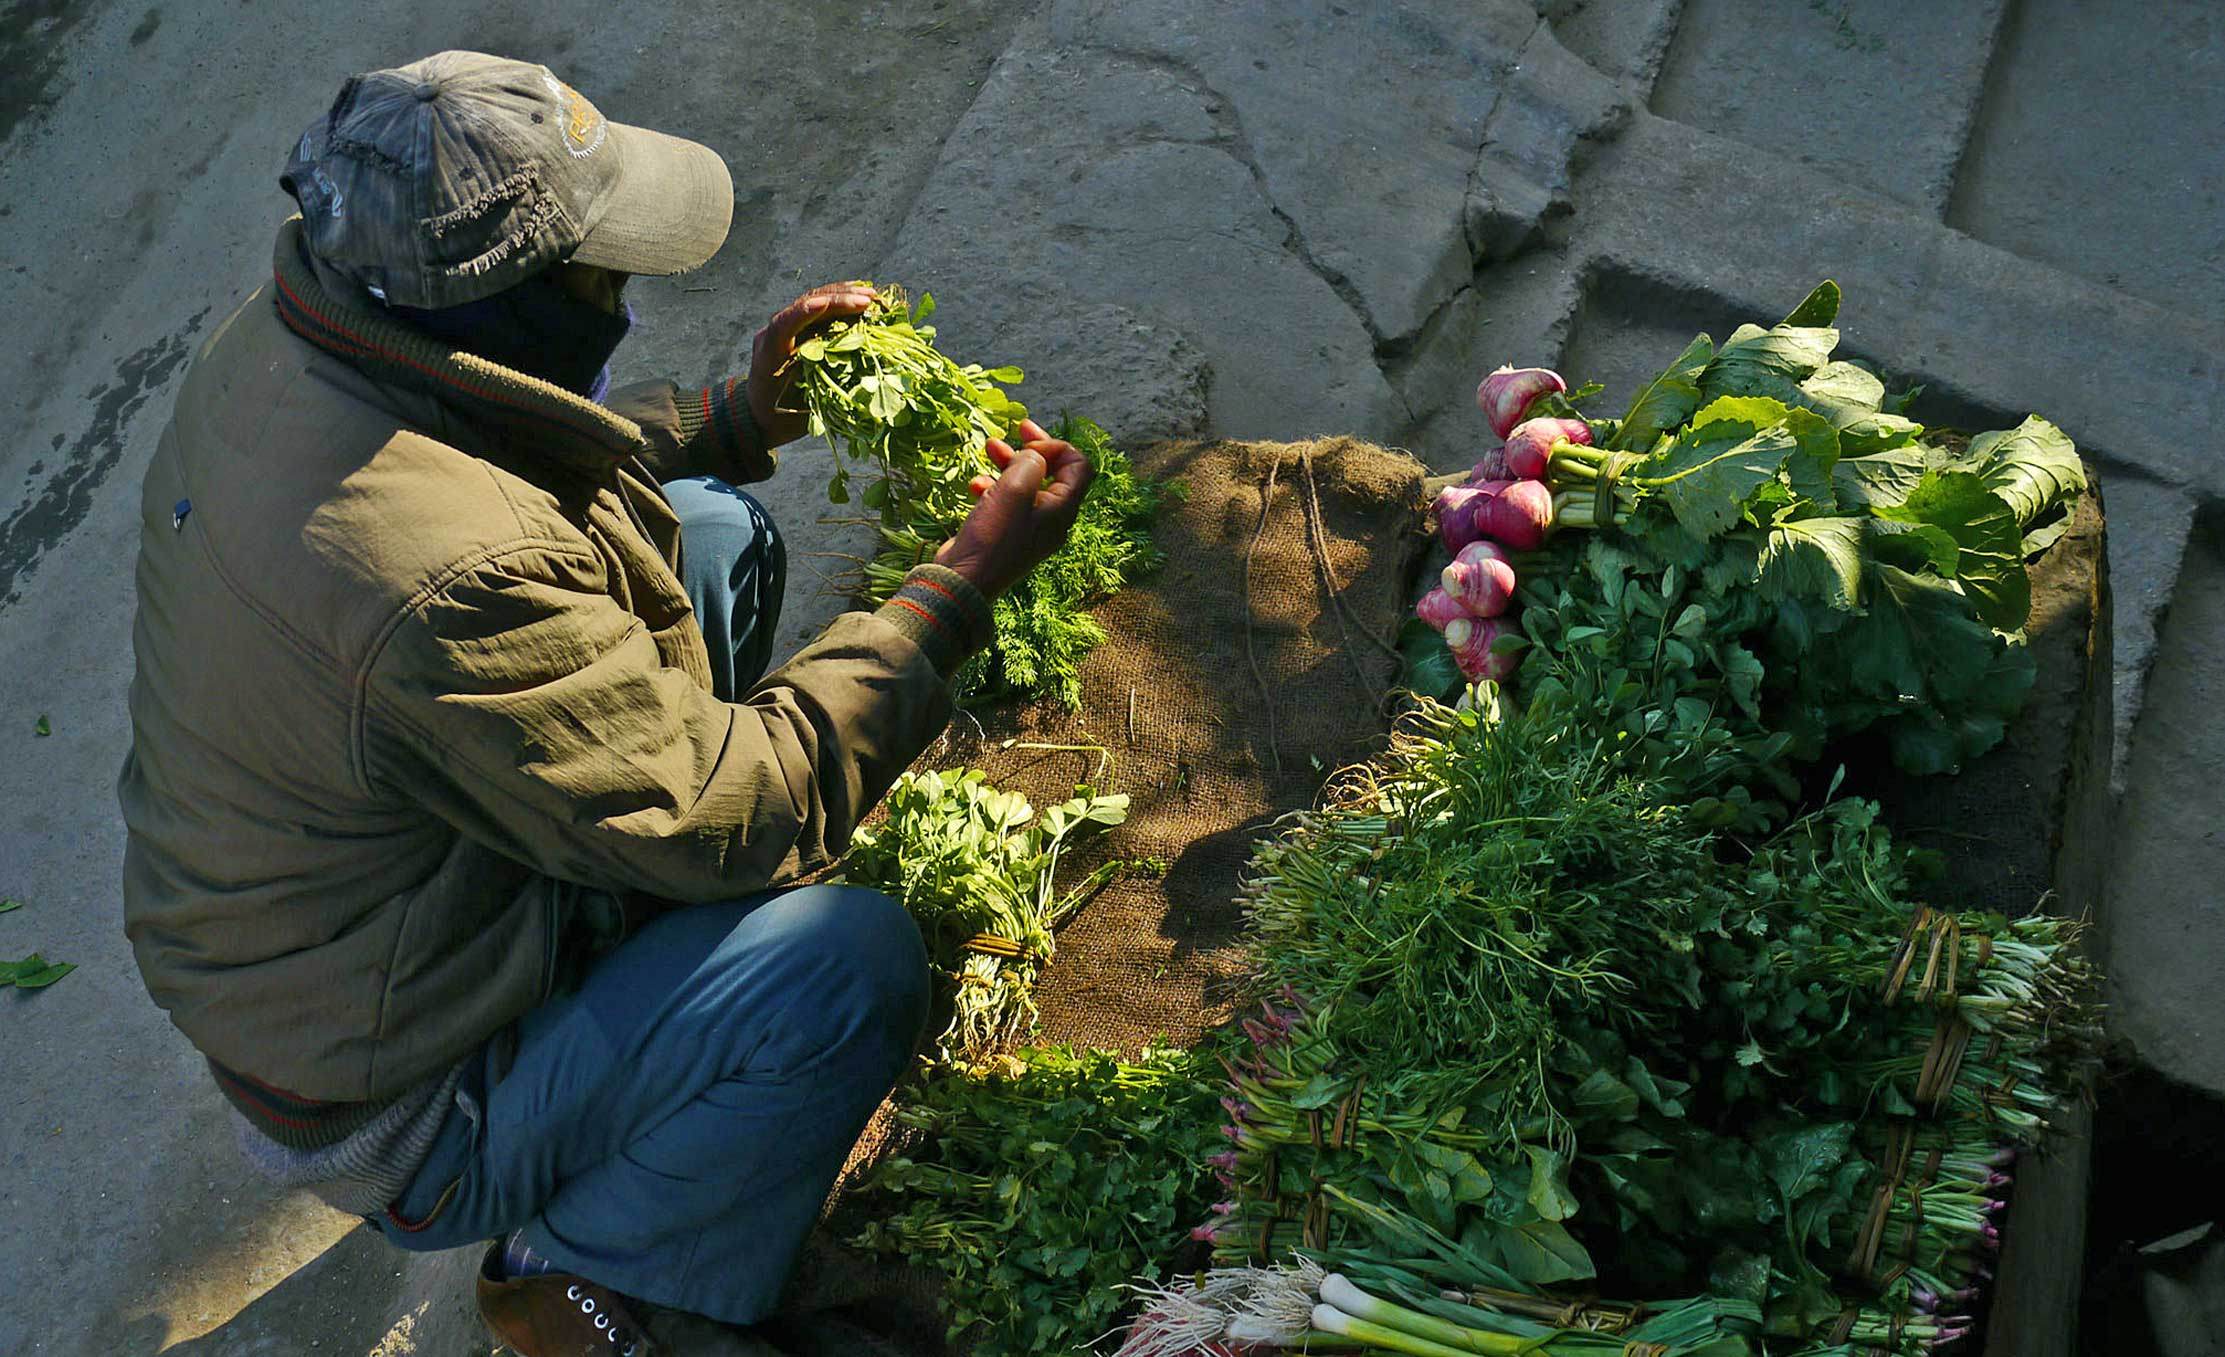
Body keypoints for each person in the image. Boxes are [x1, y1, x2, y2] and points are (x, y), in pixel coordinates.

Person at [117, 50, 1092, 1356]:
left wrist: (738, 414)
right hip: (405, 1102)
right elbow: (746, 811)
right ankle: (590, 1273)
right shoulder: (436, 578)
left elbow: (498, 458)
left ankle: (633, 994)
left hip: (352, 919)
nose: (622, 290)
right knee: (839, 964)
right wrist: (959, 584)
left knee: (710, 535)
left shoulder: (309, 326)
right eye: (597, 272)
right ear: (504, 309)